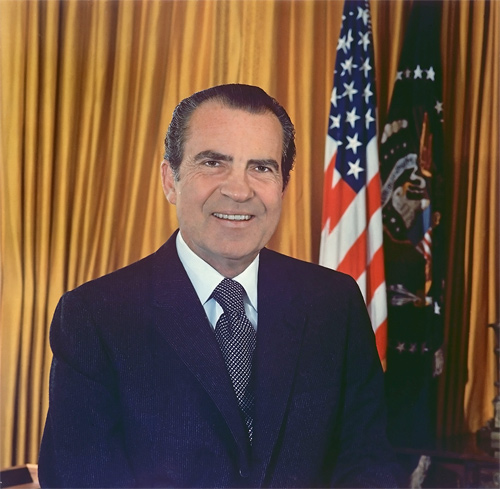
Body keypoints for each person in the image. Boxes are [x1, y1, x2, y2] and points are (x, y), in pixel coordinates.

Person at [39, 84, 400, 488]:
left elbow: (370, 467)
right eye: (213, 162)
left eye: (261, 168)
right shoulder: (97, 316)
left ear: (282, 186)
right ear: (170, 180)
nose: (239, 190)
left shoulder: (334, 303)